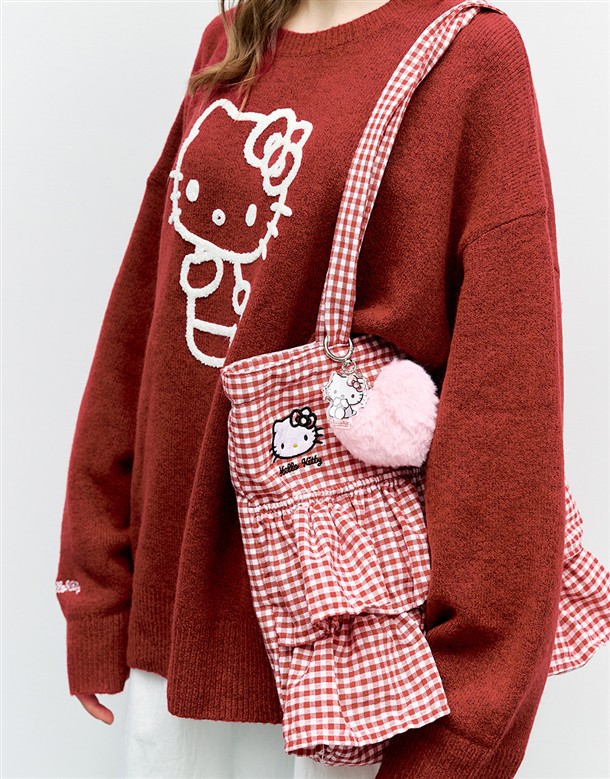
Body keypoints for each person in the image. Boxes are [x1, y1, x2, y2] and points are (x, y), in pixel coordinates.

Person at [55, 0, 610, 777]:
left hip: (347, 674)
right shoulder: (232, 42)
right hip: (171, 640)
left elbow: (505, 404)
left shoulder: (473, 57)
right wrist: (95, 580)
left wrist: (470, 729)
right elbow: (145, 316)